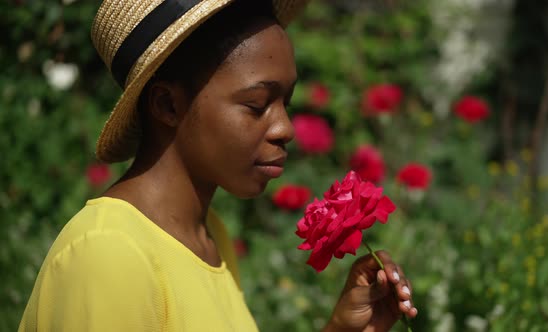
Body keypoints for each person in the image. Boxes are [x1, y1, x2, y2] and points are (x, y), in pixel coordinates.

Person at [19, 0, 418, 331]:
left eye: (286, 103)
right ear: (168, 106)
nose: (285, 128)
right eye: (257, 105)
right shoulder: (108, 254)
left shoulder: (211, 238)